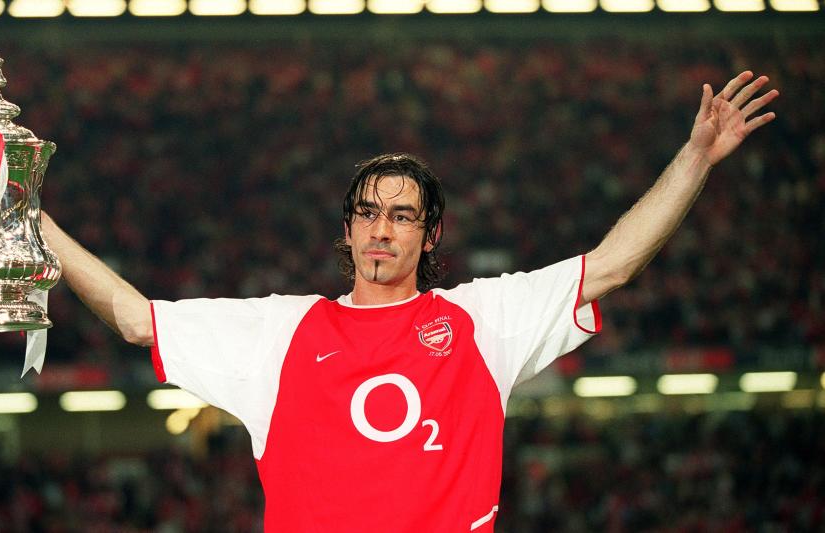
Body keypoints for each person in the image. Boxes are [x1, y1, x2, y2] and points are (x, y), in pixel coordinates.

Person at [40, 71, 777, 531]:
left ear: (429, 234)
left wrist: (693, 160)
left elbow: (611, 265)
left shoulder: (482, 321)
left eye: (400, 214)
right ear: (347, 229)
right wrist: (28, 219)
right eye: (365, 211)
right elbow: (137, 318)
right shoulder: (281, 331)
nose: (380, 227)